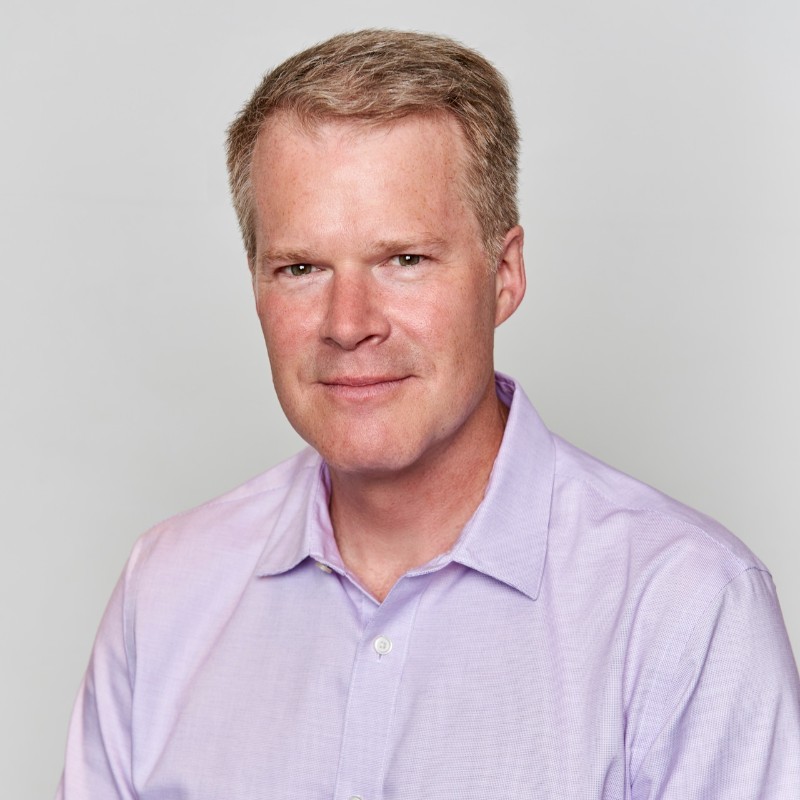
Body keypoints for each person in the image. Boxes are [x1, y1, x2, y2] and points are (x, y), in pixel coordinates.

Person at [57, 29, 800, 799]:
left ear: (504, 275)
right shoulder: (168, 589)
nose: (350, 323)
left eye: (404, 260)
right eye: (301, 268)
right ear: (256, 285)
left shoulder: (687, 610)